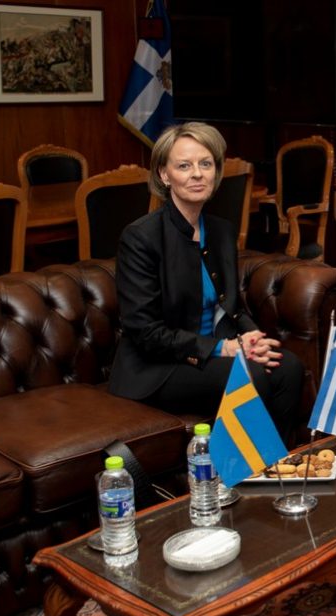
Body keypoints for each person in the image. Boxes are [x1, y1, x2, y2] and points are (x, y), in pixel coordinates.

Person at [109, 122, 303, 443]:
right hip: (156, 367)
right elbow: (146, 333)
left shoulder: (221, 231)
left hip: (210, 353)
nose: (197, 174)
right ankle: (242, 467)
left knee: (288, 368)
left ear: (216, 171)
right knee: (250, 375)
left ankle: (278, 463)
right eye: (184, 166)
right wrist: (223, 348)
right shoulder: (140, 237)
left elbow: (231, 307)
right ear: (164, 175)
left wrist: (251, 337)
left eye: (205, 164)